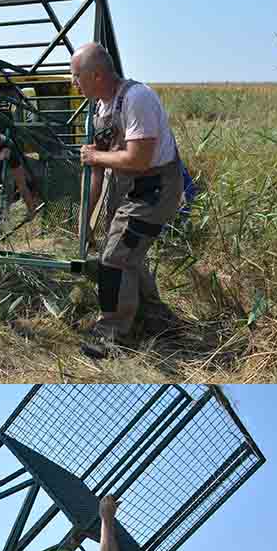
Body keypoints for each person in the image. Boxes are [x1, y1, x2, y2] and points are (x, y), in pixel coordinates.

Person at [72, 42, 184, 357]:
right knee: (127, 256)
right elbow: (96, 167)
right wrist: (86, 216)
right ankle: (159, 323)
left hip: (154, 188)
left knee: (115, 258)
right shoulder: (98, 109)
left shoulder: (137, 99)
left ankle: (111, 336)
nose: (73, 82)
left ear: (95, 75)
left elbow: (139, 159)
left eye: (76, 75)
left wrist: (96, 156)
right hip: (127, 190)